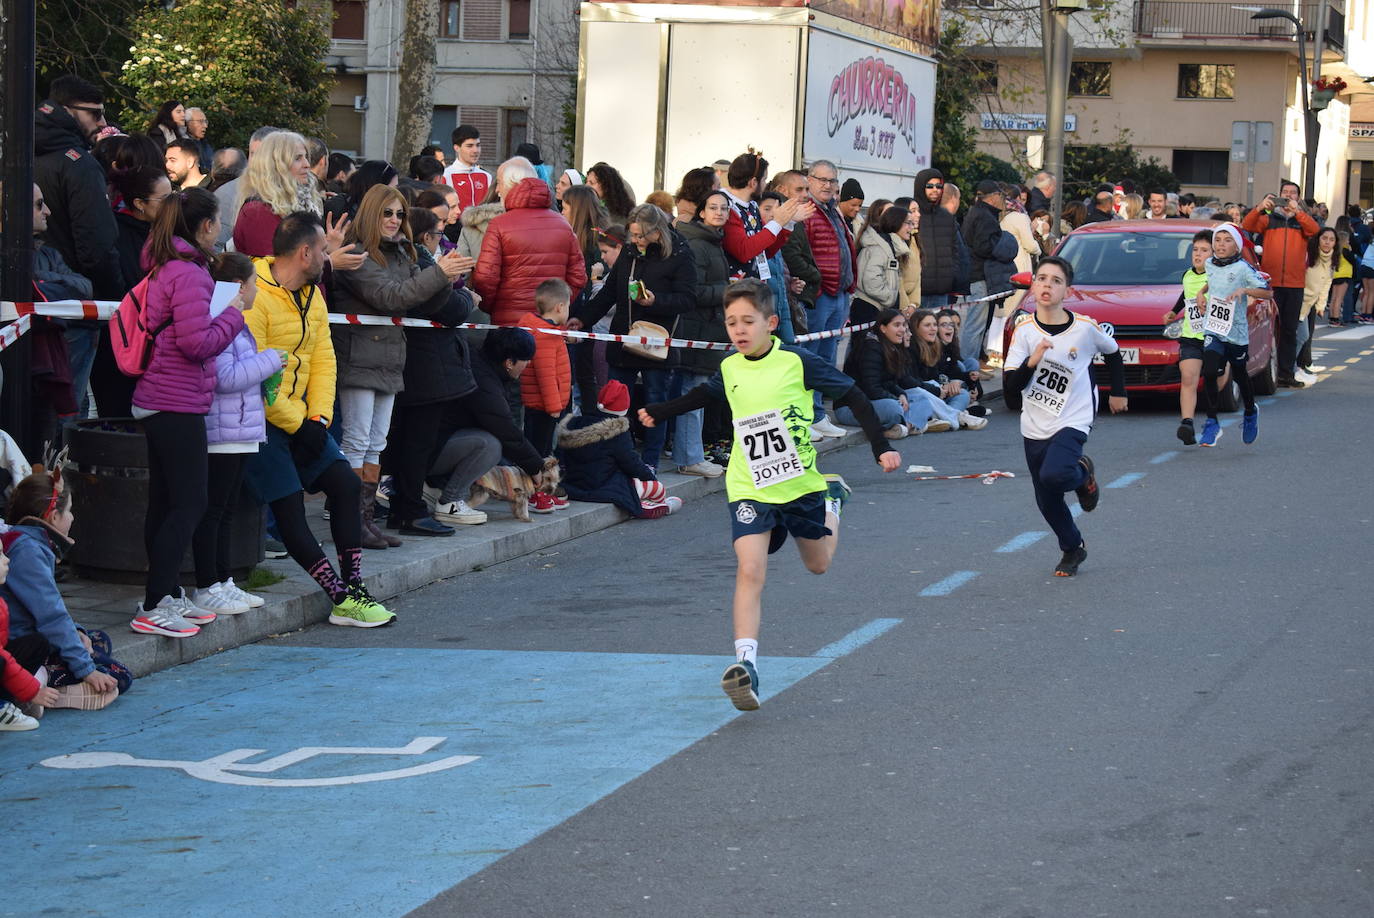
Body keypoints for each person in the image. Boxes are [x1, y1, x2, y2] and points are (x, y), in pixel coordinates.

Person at [639, 279, 901, 710]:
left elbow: (851, 392)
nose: (738, 330)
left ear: (771, 323)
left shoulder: (798, 362)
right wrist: (659, 411)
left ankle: (833, 501)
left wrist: (881, 446)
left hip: (799, 486)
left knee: (818, 565)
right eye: (731, 323)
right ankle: (747, 666)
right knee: (749, 569)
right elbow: (705, 394)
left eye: (747, 321)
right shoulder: (730, 367)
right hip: (749, 485)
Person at [245, 211, 395, 625]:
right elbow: (258, 375)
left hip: (304, 420)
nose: (328, 258)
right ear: (304, 252)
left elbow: (324, 358)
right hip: (259, 422)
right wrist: (298, 425)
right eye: (324, 251)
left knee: (345, 485)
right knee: (290, 508)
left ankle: (354, 587)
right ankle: (339, 597)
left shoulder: (313, 293)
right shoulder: (254, 295)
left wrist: (319, 417)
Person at [129, 187, 245, 637]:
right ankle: (155, 601)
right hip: (173, 400)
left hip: (162, 397)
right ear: (203, 227)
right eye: (217, 222)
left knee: (166, 502)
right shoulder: (191, 274)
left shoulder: (167, 266)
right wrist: (234, 314)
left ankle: (164, 592)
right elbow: (197, 344)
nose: (220, 230)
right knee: (190, 502)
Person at [331, 185, 468, 545]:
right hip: (359, 357)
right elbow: (391, 298)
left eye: (399, 214)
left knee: (376, 443)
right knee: (356, 442)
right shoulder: (356, 253)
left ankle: (365, 520)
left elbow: (420, 299)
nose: (394, 221)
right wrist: (439, 273)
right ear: (371, 214)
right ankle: (350, 522)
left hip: (390, 358)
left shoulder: (403, 253)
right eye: (386, 213)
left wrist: (444, 278)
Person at [1003, 256, 1126, 577]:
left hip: (1074, 417)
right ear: (1033, 286)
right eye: (1041, 278)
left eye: (1056, 281)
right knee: (1047, 499)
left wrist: (1119, 392)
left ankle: (1083, 475)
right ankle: (1073, 548)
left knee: (1056, 475)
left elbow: (1112, 352)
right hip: (1035, 422)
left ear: (1067, 291)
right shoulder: (1024, 332)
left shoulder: (1084, 329)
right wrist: (1033, 361)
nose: (1047, 285)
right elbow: (1009, 391)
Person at [192, 253, 287, 614]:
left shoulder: (236, 320)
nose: (258, 290)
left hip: (239, 428)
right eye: (255, 283)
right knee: (215, 510)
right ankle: (207, 584)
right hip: (224, 430)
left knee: (226, 509)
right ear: (241, 286)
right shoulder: (223, 319)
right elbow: (226, 377)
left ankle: (222, 580)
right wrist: (270, 361)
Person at [572, 203, 696, 470]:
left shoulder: (680, 253)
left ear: (657, 232)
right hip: (624, 338)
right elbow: (608, 294)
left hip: (657, 341)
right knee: (615, 402)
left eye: (641, 236)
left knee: (654, 403)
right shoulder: (629, 251)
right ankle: (617, 459)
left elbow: (687, 299)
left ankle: (649, 462)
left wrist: (656, 301)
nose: (636, 241)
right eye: (633, 235)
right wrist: (583, 319)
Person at [1, 471, 128, 716]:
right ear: (53, 515)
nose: (72, 516)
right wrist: (87, 670)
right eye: (69, 510)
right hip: (21, 645)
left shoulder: (26, 541)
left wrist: (77, 631)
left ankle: (43, 681)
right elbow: (50, 616)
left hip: (23, 637)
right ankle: (44, 688)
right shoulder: (27, 550)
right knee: (120, 676)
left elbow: (48, 610)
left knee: (98, 639)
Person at [381, 215, 477, 535]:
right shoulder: (418, 261)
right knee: (414, 444)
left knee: (407, 442)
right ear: (423, 235)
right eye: (438, 233)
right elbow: (450, 307)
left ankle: (403, 508)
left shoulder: (415, 259)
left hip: (420, 365)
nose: (441, 239)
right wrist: (459, 290)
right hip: (422, 368)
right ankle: (409, 509)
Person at [35, 76, 123, 415]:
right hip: (73, 306)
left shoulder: (20, 151)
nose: (103, 123)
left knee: (34, 408)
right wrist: (111, 298)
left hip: (28, 299)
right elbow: (97, 245)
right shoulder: (79, 164)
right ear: (68, 111)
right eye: (96, 114)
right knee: (68, 409)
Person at [426, 328, 547, 525]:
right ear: (509, 362)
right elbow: (505, 429)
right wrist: (535, 466)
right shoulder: (484, 382)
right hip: (431, 448)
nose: (528, 365)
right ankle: (450, 502)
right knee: (489, 445)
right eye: (526, 360)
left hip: (435, 442)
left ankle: (435, 487)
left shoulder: (483, 366)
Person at [471, 174, 587, 327]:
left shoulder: (499, 224)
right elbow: (578, 277)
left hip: (508, 319)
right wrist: (559, 305)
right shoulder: (563, 225)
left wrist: (490, 307)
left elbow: (486, 276)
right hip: (549, 320)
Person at [1189, 224, 1269, 446]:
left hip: (1236, 332)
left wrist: (1244, 290)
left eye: (1227, 240)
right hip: (1214, 328)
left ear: (1237, 245)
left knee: (1241, 375)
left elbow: (1267, 291)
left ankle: (1251, 412)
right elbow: (1212, 281)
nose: (1221, 244)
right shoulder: (1209, 264)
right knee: (1210, 370)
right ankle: (1212, 422)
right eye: (1218, 240)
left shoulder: (1244, 269)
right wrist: (1200, 293)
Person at [672, 187, 733, 477]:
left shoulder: (713, 241)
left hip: (709, 327)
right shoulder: (699, 244)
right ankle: (689, 458)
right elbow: (693, 291)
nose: (719, 212)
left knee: (697, 392)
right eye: (713, 208)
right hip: (697, 327)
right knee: (693, 392)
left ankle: (692, 454)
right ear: (701, 212)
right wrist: (727, 290)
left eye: (723, 208)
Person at [557, 380, 681, 518]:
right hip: (602, 486)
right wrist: (650, 478)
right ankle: (659, 505)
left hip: (573, 485)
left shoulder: (574, 424)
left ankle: (646, 503)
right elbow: (631, 462)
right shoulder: (617, 432)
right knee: (656, 488)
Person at [800, 159, 857, 439]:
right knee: (812, 356)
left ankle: (819, 413)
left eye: (832, 181)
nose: (827, 185)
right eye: (821, 180)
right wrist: (818, 285)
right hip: (821, 294)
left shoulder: (833, 211)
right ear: (809, 180)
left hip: (839, 293)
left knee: (826, 356)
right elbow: (802, 254)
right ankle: (807, 415)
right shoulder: (807, 212)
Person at [1242, 181, 1319, 386]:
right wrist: (1260, 207)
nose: (1288, 196)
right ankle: (1269, 372)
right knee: (1269, 330)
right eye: (1285, 193)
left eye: (1292, 193)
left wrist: (1299, 213)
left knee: (1289, 330)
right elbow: (1247, 225)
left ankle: (1286, 373)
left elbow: (1315, 230)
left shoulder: (1302, 221)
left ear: (1298, 198)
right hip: (1271, 284)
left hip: (1294, 284)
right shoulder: (1269, 219)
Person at [837, 308, 939, 437]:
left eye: (903, 325)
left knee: (922, 399)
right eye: (897, 325)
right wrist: (896, 398)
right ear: (883, 328)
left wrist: (901, 394)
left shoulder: (891, 346)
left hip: (876, 401)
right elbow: (871, 389)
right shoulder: (870, 348)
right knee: (894, 408)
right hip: (851, 407)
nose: (902, 330)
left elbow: (890, 381)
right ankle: (904, 426)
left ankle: (904, 427)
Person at [1160, 230, 1216, 445]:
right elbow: (1186, 295)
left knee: (1215, 380)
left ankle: (1212, 420)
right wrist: (1174, 312)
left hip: (1214, 336)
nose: (1198, 255)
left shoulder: (1216, 276)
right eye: (1195, 250)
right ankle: (1187, 424)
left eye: (1204, 250)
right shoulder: (1188, 275)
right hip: (1191, 335)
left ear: (1213, 254)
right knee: (1188, 378)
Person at [517, 279, 574, 467]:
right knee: (541, 450)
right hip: (545, 406)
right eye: (567, 306)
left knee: (535, 444)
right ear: (559, 307)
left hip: (539, 404)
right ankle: (537, 489)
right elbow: (546, 375)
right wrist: (554, 407)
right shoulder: (546, 336)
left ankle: (533, 484)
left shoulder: (542, 330)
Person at [908, 309, 987, 431]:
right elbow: (912, 382)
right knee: (926, 390)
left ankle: (947, 416)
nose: (933, 328)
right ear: (916, 328)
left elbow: (947, 374)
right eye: (927, 325)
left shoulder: (936, 346)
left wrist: (968, 382)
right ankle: (957, 416)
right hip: (918, 393)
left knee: (962, 393)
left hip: (935, 390)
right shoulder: (911, 348)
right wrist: (940, 387)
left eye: (934, 325)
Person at [960, 180, 1006, 359]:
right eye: (1000, 196)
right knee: (975, 325)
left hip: (973, 274)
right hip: (979, 276)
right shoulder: (986, 217)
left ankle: (971, 366)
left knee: (975, 324)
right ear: (994, 197)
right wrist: (1001, 246)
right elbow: (983, 247)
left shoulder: (975, 212)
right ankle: (968, 368)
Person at [852, 204, 911, 325]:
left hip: (878, 308)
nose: (912, 227)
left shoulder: (889, 247)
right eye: (908, 223)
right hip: (868, 309)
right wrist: (891, 297)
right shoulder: (878, 248)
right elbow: (871, 282)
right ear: (896, 223)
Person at [912, 168, 959, 311]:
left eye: (939, 186)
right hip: (916, 291)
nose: (935, 190)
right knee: (914, 331)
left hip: (941, 290)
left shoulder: (946, 216)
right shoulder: (912, 214)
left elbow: (955, 250)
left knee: (936, 330)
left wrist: (952, 276)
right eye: (930, 186)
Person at [1296, 226, 1335, 382]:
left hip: (1310, 304)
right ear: (1318, 239)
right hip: (1298, 300)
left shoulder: (1332, 259)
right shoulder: (1309, 255)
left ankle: (1297, 367)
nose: (1327, 242)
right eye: (1324, 238)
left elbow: (1327, 283)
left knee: (1304, 336)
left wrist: (1320, 306)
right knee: (1301, 336)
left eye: (1331, 240)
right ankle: (1292, 368)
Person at [442, 124, 491, 216]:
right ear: (456, 148)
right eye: (469, 146)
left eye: (478, 145)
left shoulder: (487, 176)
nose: (475, 150)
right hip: (454, 229)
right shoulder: (446, 175)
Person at [185, 107, 212, 173]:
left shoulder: (206, 145)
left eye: (206, 122)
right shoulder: (183, 146)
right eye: (201, 122)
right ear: (188, 123)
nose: (205, 126)